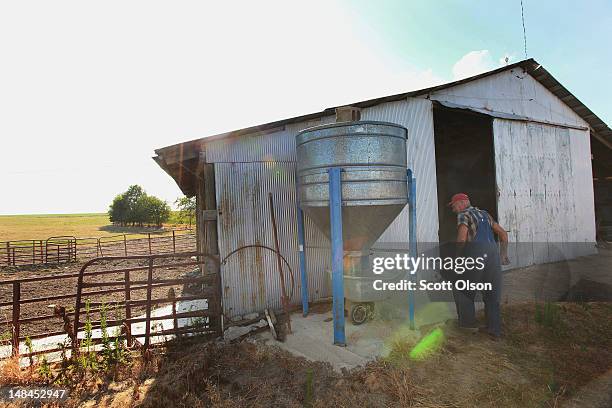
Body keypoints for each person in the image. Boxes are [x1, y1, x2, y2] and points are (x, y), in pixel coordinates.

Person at [448, 193, 509, 338]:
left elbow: (462, 239)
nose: (453, 209)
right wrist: (503, 254)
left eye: (454, 206)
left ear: (462, 203)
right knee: (492, 296)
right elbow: (503, 234)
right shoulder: (485, 214)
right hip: (492, 259)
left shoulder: (464, 215)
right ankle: (494, 331)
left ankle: (468, 328)